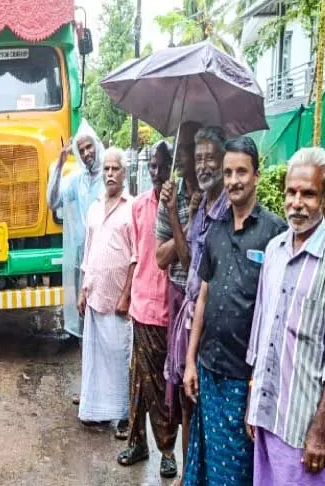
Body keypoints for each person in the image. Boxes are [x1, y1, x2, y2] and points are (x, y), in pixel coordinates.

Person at [245, 147, 325, 486]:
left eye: (308, 193)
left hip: (304, 429)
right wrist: (255, 404)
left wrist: (320, 431)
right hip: (268, 418)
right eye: (291, 192)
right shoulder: (275, 250)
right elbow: (261, 333)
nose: (297, 202)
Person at [182, 137, 287, 485]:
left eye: (241, 171)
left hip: (246, 378)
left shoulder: (275, 235)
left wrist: (262, 382)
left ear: (257, 175)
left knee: (240, 470)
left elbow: (279, 312)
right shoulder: (216, 230)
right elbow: (203, 297)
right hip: (209, 371)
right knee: (210, 466)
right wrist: (190, 362)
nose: (233, 180)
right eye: (228, 173)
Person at [160, 125, 226, 485]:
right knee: (187, 405)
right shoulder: (200, 208)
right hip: (191, 319)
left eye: (209, 159)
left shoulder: (227, 209)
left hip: (216, 327)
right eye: (197, 158)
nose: (202, 165)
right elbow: (187, 267)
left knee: (206, 410)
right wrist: (177, 214)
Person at [117, 142, 178, 479]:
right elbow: (136, 256)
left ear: (172, 168)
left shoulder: (179, 206)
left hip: (169, 309)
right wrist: (127, 296)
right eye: (152, 167)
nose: (156, 173)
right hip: (142, 305)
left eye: (162, 166)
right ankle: (137, 441)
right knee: (138, 380)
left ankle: (167, 450)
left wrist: (172, 210)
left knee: (161, 385)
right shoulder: (139, 206)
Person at [76, 147, 135, 434]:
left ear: (125, 173)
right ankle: (98, 411)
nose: (110, 173)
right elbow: (87, 253)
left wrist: (126, 295)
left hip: (118, 299)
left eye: (116, 169)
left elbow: (136, 257)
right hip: (95, 293)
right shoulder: (95, 207)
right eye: (107, 169)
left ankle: (124, 415)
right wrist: (82, 291)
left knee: (119, 355)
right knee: (96, 356)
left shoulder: (131, 208)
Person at [47, 120, 105, 341]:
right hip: (84, 262)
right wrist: (60, 164)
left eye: (89, 147)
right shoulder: (77, 181)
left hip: (107, 259)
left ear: (97, 146)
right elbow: (53, 202)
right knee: (85, 319)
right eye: (81, 150)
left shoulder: (109, 176)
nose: (87, 153)